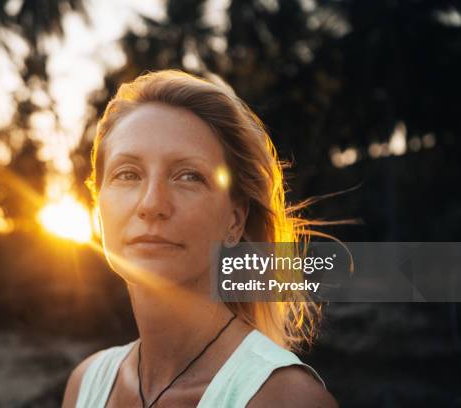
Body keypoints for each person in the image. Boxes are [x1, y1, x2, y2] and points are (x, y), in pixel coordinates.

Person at [61, 70, 338, 407]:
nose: (151, 204)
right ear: (97, 205)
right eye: (127, 174)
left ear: (235, 220)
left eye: (188, 176)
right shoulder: (85, 384)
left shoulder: (285, 399)